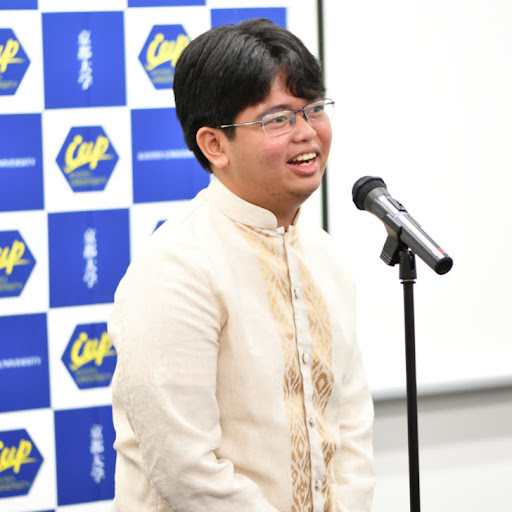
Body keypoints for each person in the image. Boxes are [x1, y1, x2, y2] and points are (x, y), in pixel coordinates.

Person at [108, 18, 375, 512]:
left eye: (314, 108)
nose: (307, 132)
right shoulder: (175, 267)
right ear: (214, 145)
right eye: (278, 119)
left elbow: (352, 427)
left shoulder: (328, 257)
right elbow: (186, 469)